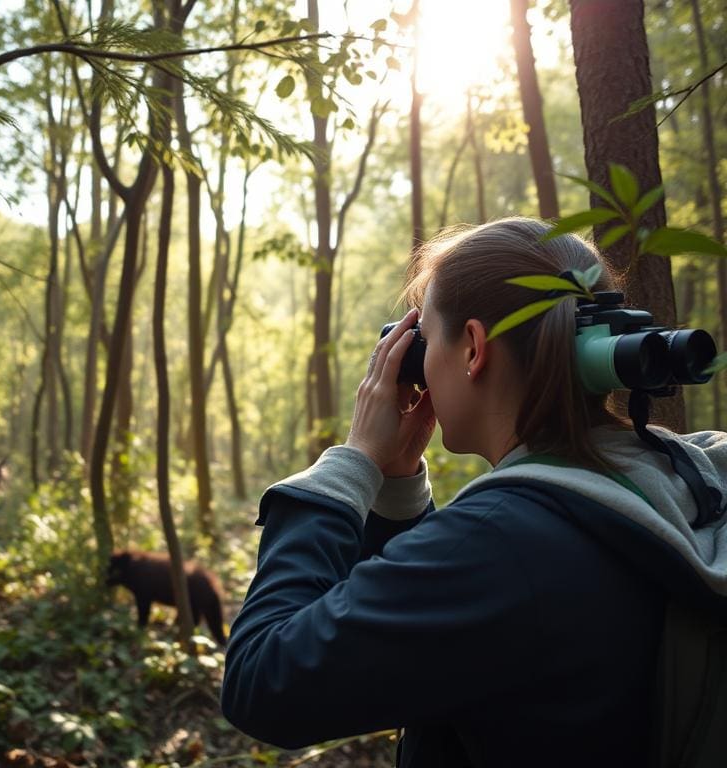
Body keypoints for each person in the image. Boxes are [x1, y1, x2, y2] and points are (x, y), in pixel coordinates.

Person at [220, 217, 727, 767]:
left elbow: (263, 681)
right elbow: (438, 629)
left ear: (473, 349)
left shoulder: (503, 542)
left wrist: (351, 463)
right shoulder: (685, 476)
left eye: (428, 338)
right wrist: (397, 485)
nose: (422, 362)